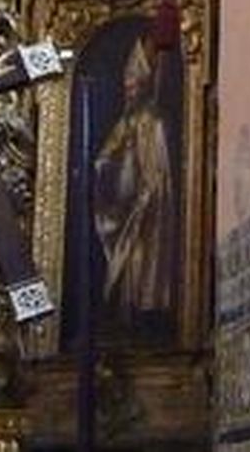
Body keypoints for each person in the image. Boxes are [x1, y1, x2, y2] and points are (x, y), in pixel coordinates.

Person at [92, 37, 175, 318]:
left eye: (133, 81)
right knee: (126, 262)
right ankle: (127, 308)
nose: (128, 88)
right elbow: (106, 156)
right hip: (127, 204)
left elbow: (158, 171)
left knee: (143, 259)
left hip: (149, 204)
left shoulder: (153, 121)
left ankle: (146, 309)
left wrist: (145, 195)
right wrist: (105, 169)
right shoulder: (127, 121)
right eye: (126, 82)